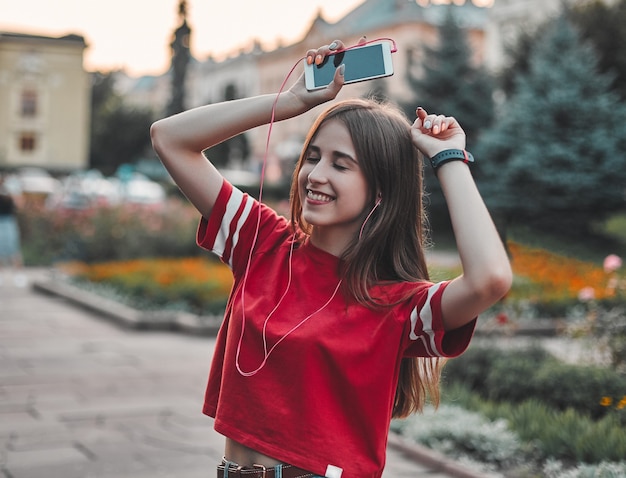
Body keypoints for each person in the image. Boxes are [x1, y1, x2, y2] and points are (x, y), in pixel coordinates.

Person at [150, 38, 512, 478]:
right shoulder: (262, 242)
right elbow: (169, 138)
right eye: (314, 157)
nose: (315, 175)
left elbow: (490, 279)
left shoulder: (397, 303)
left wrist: (449, 156)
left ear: (380, 191)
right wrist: (291, 102)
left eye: (341, 165)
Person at [0, 175, 27, 287]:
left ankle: (19, 275)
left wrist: (12, 194)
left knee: (14, 249)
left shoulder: (10, 190)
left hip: (9, 221)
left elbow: (20, 205)